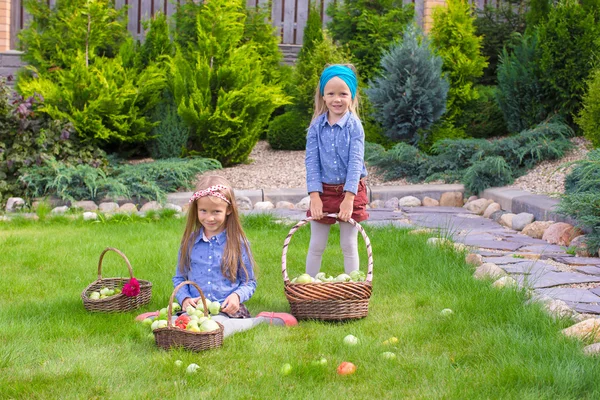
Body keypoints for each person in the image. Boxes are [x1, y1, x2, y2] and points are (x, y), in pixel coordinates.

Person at [139, 176, 297, 336]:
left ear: (228, 210)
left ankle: (258, 321)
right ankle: (165, 318)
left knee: (216, 328)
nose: (209, 218)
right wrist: (185, 299)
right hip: (195, 311)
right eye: (203, 211)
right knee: (185, 327)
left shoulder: (238, 243)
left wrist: (236, 296)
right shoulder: (189, 242)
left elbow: (249, 282)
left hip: (227, 311)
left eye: (216, 211)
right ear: (196, 209)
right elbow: (179, 278)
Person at [304, 64, 369, 277]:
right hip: (323, 191)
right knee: (316, 244)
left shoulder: (354, 126)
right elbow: (311, 162)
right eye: (331, 93)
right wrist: (315, 196)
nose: (337, 99)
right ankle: (308, 288)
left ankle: (353, 289)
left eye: (343, 93)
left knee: (348, 244)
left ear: (352, 96)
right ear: (323, 96)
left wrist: (349, 198)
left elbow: (355, 164)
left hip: (350, 191)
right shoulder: (316, 127)